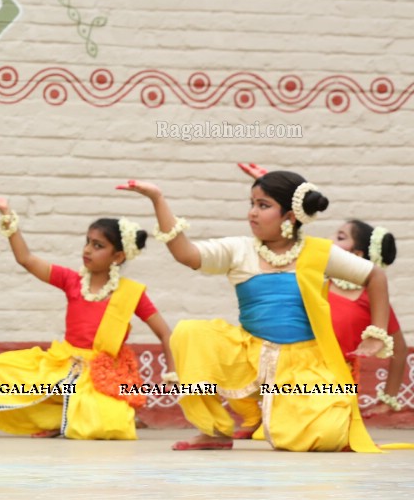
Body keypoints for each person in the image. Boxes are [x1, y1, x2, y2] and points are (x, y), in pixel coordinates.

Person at [120, 173, 390, 452]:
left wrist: (376, 334)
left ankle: (295, 414)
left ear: (290, 216)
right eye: (252, 203)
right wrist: (158, 199)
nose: (252, 213)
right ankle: (215, 431)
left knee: (321, 438)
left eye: (263, 205)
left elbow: (375, 277)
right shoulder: (239, 249)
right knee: (189, 333)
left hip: (302, 365)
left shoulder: (319, 252)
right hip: (248, 355)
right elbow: (186, 254)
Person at [0, 195, 174, 439]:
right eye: (88, 242)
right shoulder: (72, 281)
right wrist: (7, 214)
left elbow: (165, 333)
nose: (87, 250)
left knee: (108, 426)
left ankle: (76, 416)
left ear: (118, 257)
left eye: (98, 246)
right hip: (63, 365)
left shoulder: (131, 294)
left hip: (102, 374)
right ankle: (65, 417)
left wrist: (172, 373)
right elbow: (26, 259)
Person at [236, 163, 405, 421]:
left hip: (334, 384)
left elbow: (400, 350)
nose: (331, 242)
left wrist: (388, 400)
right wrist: (277, 191)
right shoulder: (316, 282)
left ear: (356, 254)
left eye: (340, 237)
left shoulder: (371, 300)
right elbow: (293, 236)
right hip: (293, 371)